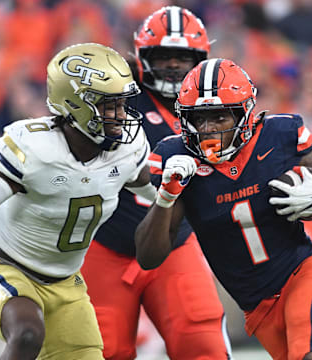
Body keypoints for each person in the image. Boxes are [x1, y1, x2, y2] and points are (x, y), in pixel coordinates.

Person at [135, 57, 312, 359]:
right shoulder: (175, 156)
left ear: (245, 114)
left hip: (304, 274)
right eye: (198, 118)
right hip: (257, 308)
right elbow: (148, 257)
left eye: (219, 117)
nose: (207, 129)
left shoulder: (280, 137)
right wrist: (166, 196)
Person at [81, 6, 233, 360]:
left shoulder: (216, 105)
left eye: (182, 57)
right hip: (106, 243)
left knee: (201, 341)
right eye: (163, 56)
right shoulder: (118, 94)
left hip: (174, 244)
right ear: (141, 56)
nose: (173, 66)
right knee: (102, 349)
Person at [0, 42, 156, 360]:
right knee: (27, 334)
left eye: (123, 104)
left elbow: (153, 190)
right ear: (76, 104)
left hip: (66, 281)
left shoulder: (127, 150)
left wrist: (180, 193)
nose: (121, 115)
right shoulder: (33, 148)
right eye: (110, 105)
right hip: (7, 266)